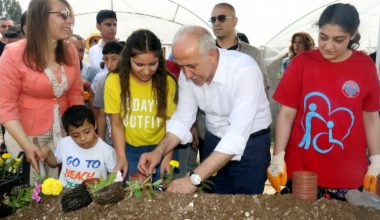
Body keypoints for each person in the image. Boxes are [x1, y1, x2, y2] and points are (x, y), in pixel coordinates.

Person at [138, 25, 272, 194]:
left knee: (246, 204)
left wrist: (193, 178)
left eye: (192, 66)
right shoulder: (188, 73)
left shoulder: (244, 70)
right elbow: (182, 120)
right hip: (214, 139)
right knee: (212, 200)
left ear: (212, 55)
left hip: (251, 144)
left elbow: (235, 137)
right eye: (181, 67)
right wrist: (158, 151)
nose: (186, 75)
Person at [267, 3, 380, 200]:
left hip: (348, 171)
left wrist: (376, 159)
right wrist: (277, 157)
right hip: (303, 168)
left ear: (352, 35)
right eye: (323, 37)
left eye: (338, 40)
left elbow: (370, 116)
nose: (328, 46)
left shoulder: (364, 65)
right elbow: (286, 114)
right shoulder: (301, 63)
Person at [0, 0, 83, 178]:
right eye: (62, 15)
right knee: (31, 194)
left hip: (61, 133)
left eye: (69, 15)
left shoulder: (70, 52)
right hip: (25, 136)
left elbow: (75, 94)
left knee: (58, 192)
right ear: (40, 18)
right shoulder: (13, 53)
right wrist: (26, 146)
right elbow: (5, 106)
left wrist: (79, 131)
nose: (69, 21)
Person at [104, 29, 178, 180]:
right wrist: (121, 157)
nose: (146, 71)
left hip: (162, 146)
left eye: (152, 64)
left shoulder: (167, 82)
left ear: (160, 59)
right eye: (139, 64)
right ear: (128, 60)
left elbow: (171, 122)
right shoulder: (114, 80)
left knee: (162, 191)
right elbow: (116, 123)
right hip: (129, 149)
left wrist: (167, 156)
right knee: (135, 192)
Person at [41, 105, 116, 188]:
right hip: (67, 193)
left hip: (94, 194)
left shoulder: (107, 151)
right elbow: (54, 163)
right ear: (68, 133)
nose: (83, 138)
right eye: (75, 135)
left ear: (95, 125)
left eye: (87, 132)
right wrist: (47, 153)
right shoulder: (65, 143)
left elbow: (114, 176)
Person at [93, 40, 124, 145]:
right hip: (110, 139)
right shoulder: (102, 81)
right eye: (106, 59)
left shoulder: (133, 80)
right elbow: (101, 114)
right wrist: (101, 142)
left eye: (114, 59)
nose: (109, 64)